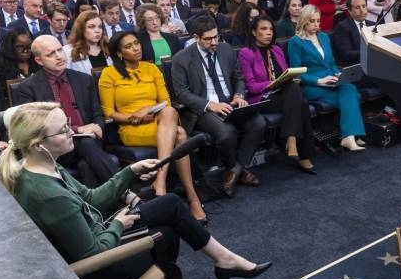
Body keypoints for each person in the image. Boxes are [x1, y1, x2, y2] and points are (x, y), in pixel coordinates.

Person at [0, 102, 270, 279]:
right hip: (94, 274)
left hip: (97, 234)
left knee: (171, 205)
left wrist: (130, 172)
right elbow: (90, 255)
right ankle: (208, 272)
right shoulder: (47, 192)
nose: (71, 131)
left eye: (68, 125)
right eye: (63, 130)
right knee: (169, 228)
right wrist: (117, 224)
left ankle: (220, 264)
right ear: (38, 144)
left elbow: (91, 198)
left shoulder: (43, 164)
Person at [100, 33, 207, 222]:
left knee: (169, 112)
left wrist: (147, 109)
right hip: (132, 127)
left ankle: (160, 182)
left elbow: (165, 100)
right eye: (129, 46)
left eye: (136, 43)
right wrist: (133, 118)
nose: (136, 48)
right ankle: (193, 198)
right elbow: (109, 112)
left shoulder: (151, 68)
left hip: (159, 120)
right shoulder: (109, 74)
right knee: (180, 134)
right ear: (119, 53)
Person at [171, 16, 266, 197]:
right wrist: (210, 105)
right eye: (208, 39)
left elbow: (238, 78)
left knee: (258, 123)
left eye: (216, 37)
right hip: (204, 109)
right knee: (226, 133)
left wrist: (239, 95)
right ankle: (236, 169)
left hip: (230, 102)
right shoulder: (181, 59)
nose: (214, 42)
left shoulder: (226, 49)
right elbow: (181, 93)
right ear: (196, 37)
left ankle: (235, 170)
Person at [332, 0, 401, 155]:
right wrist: (369, 47)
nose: (362, 10)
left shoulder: (375, 25)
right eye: (357, 7)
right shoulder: (343, 27)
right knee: (395, 82)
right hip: (357, 74)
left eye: (364, 6)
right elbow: (346, 54)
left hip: (375, 71)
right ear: (349, 11)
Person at [17, 36, 120, 187]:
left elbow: (97, 114)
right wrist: (77, 130)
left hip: (90, 142)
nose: (59, 56)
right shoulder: (28, 88)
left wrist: (97, 127)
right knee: (86, 145)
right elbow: (37, 127)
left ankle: (95, 209)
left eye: (60, 50)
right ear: (39, 61)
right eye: (50, 54)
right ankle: (126, 192)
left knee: (86, 164)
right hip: (56, 147)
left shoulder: (84, 79)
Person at [238, 16, 316, 173]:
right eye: (263, 29)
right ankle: (301, 152)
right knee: (301, 102)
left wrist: (290, 78)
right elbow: (251, 86)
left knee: (296, 93)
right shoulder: (245, 53)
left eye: (271, 29)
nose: (268, 33)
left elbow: (286, 73)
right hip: (263, 98)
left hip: (284, 94)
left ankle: (292, 139)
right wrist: (272, 84)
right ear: (254, 32)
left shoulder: (277, 49)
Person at [287, 4, 365, 151]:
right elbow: (296, 73)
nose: (316, 24)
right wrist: (318, 80)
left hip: (332, 80)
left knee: (349, 88)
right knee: (351, 94)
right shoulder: (295, 42)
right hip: (313, 85)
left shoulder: (323, 37)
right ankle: (351, 135)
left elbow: (331, 63)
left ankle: (349, 136)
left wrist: (337, 73)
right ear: (304, 21)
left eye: (318, 21)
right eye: (312, 21)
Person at [64, 10, 113, 75]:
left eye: (100, 27)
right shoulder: (68, 51)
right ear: (81, 29)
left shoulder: (108, 47)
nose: (97, 30)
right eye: (91, 27)